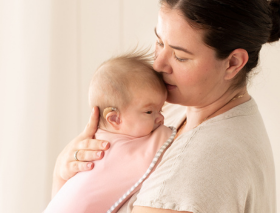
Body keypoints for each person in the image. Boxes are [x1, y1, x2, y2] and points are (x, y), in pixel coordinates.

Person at [51, 0, 279, 212]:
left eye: (180, 57)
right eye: (159, 42)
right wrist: (64, 175)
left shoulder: (191, 169)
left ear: (233, 63)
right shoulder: (196, 112)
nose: (158, 64)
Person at [45, 51, 175, 213]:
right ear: (115, 119)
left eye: (160, 109)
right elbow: (156, 152)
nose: (160, 118)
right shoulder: (105, 146)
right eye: (149, 112)